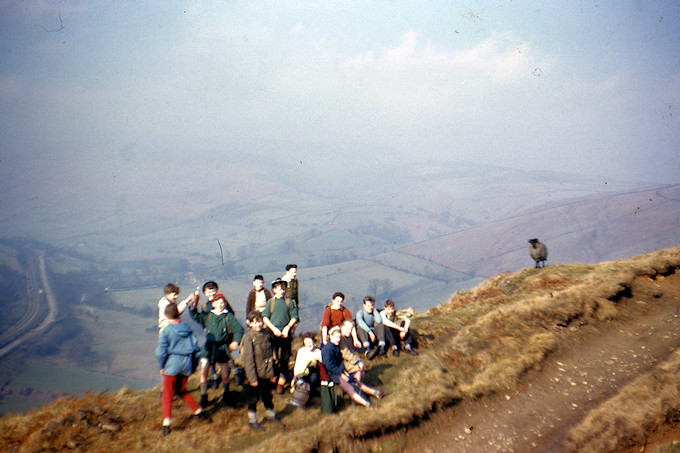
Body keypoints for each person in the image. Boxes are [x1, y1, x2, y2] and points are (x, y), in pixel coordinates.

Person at [155, 303, 208, 435]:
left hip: (172, 365)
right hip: (187, 364)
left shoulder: (166, 330)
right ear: (179, 314)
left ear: (166, 316)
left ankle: (166, 424)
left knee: (167, 394)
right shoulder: (188, 329)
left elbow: (160, 352)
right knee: (180, 390)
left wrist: (162, 366)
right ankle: (198, 411)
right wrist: (194, 366)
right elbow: (197, 350)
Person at [190, 292, 244, 408]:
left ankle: (226, 394)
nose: (220, 305)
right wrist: (194, 302)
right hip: (208, 347)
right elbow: (195, 315)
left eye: (222, 302)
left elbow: (239, 329)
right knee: (204, 372)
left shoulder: (228, 316)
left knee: (225, 374)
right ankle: (203, 397)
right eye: (218, 302)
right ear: (213, 304)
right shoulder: (208, 316)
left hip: (223, 347)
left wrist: (235, 341)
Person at [241, 310, 284, 431]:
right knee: (253, 398)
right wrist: (252, 378)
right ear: (249, 324)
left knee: (267, 395)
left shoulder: (266, 334)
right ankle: (252, 421)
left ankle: (271, 415)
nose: (258, 325)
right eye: (254, 323)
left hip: (267, 372)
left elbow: (271, 354)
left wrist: (273, 373)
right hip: (255, 374)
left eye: (259, 321)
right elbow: (248, 360)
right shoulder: (248, 337)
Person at [321, 327, 384, 408]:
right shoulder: (327, 349)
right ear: (331, 337)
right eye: (336, 337)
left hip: (340, 371)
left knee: (356, 382)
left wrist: (345, 372)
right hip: (333, 374)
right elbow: (329, 366)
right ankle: (368, 404)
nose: (338, 339)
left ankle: (376, 393)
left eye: (339, 337)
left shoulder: (336, 346)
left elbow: (340, 362)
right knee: (350, 388)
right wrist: (341, 374)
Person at [262, 278, 299, 394]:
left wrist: (288, 327)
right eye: (279, 288)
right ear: (274, 290)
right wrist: (273, 329)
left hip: (285, 334)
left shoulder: (289, 302)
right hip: (273, 333)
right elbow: (265, 317)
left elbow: (294, 317)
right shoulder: (271, 302)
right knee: (272, 356)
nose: (282, 291)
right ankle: (272, 377)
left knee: (285, 357)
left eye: (283, 288)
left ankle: (281, 382)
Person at [291, 332, 322, 407]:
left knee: (313, 379)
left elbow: (322, 363)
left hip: (313, 372)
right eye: (306, 343)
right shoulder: (301, 351)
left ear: (313, 342)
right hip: (302, 371)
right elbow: (298, 363)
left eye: (310, 342)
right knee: (301, 383)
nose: (308, 345)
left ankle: (311, 395)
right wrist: (295, 375)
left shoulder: (318, 352)